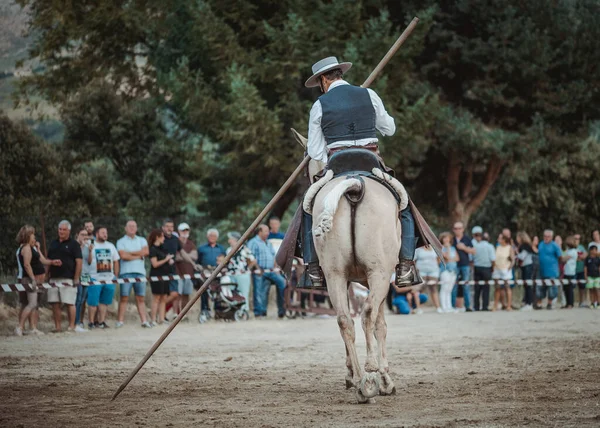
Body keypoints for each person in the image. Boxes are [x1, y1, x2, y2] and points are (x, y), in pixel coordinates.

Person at [297, 56, 440, 289]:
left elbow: (315, 151)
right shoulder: (369, 94)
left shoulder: (319, 105)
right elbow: (389, 129)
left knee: (308, 206)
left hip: (338, 164)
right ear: (339, 74)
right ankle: (405, 264)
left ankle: (312, 268)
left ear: (323, 80)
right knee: (402, 202)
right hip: (370, 161)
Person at [15, 225, 61, 336]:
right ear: (28, 236)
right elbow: (26, 265)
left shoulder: (32, 248)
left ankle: (31, 328)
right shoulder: (26, 248)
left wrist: (51, 262)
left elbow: (42, 260)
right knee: (32, 303)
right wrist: (32, 279)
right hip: (30, 279)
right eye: (33, 235)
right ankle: (20, 327)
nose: (34, 237)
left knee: (30, 304)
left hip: (34, 279)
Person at [47, 220, 82, 332]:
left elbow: (79, 262)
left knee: (69, 302)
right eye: (60, 229)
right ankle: (58, 327)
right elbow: (48, 260)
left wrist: (76, 277)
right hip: (54, 278)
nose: (61, 231)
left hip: (68, 278)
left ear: (69, 231)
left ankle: (71, 326)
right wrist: (46, 275)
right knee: (54, 303)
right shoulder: (53, 243)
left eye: (64, 229)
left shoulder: (74, 245)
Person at [116, 220, 151, 328]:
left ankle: (144, 321)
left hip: (140, 273)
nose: (132, 228)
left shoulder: (142, 240)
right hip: (126, 272)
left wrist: (129, 252)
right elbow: (123, 256)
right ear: (125, 228)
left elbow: (146, 252)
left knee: (141, 298)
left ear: (136, 228)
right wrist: (138, 254)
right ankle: (120, 321)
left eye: (134, 226)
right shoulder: (120, 241)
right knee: (124, 297)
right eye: (129, 226)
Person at [247, 225, 286, 319]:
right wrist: (257, 268)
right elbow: (250, 256)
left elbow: (273, 256)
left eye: (268, 231)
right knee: (260, 292)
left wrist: (275, 268)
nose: (268, 233)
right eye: (266, 231)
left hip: (271, 271)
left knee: (282, 283)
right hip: (259, 271)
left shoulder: (268, 243)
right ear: (259, 232)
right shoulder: (253, 242)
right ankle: (259, 313)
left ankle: (282, 311)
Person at [86, 226, 120, 329]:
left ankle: (101, 322)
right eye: (102, 232)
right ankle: (91, 322)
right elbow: (87, 261)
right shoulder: (90, 245)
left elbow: (116, 261)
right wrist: (89, 251)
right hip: (94, 277)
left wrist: (116, 276)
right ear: (97, 234)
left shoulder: (111, 246)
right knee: (92, 302)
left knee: (104, 302)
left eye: (106, 232)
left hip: (109, 278)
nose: (105, 234)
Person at [197, 228, 226, 321]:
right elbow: (198, 262)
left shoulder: (221, 248)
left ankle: (218, 312)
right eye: (210, 236)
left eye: (214, 236)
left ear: (217, 237)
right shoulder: (201, 248)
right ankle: (205, 311)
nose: (212, 237)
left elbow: (225, 260)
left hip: (218, 274)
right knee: (204, 293)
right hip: (205, 274)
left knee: (218, 293)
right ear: (207, 236)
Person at [226, 231, 257, 314]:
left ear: (235, 239)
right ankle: (234, 311)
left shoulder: (244, 249)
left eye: (230, 239)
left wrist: (247, 268)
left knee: (243, 293)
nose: (229, 241)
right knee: (232, 293)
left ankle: (244, 311)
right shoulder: (228, 250)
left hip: (243, 275)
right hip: (231, 275)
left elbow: (253, 260)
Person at [148, 229, 173, 325]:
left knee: (164, 297)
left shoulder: (162, 248)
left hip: (165, 275)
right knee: (156, 297)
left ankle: (161, 319)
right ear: (157, 237)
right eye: (162, 236)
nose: (164, 239)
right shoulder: (153, 249)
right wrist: (166, 259)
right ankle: (153, 319)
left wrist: (169, 260)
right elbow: (154, 264)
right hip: (156, 275)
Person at [174, 222, 199, 316]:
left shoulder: (191, 243)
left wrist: (183, 255)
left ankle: (183, 315)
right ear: (179, 231)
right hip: (178, 273)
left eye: (186, 230)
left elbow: (195, 256)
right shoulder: (176, 242)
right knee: (177, 295)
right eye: (183, 230)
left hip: (189, 273)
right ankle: (176, 314)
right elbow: (176, 257)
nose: (185, 232)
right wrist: (188, 256)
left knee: (186, 294)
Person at [536, 229, 562, 310]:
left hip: (552, 271)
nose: (546, 238)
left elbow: (560, 257)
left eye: (548, 236)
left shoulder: (555, 246)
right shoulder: (540, 244)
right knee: (539, 287)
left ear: (551, 237)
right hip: (541, 270)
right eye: (545, 236)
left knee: (552, 288)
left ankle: (549, 303)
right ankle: (539, 304)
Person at [161, 219, 182, 321]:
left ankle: (159, 310)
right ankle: (162, 315)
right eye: (167, 226)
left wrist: (192, 263)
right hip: (161, 271)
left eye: (171, 226)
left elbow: (181, 252)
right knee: (163, 294)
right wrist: (165, 259)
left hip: (172, 271)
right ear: (163, 227)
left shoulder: (175, 239)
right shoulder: (160, 238)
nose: (169, 228)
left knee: (174, 294)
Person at [452, 222, 476, 312]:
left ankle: (468, 306)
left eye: (459, 228)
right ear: (453, 230)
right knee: (454, 286)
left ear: (462, 229)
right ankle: (452, 306)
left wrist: (464, 248)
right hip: (454, 266)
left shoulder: (467, 239)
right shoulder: (451, 240)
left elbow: (474, 251)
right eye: (455, 228)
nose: (457, 230)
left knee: (466, 286)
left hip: (465, 265)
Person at [471, 226, 495, 311]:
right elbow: (492, 259)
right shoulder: (490, 246)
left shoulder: (474, 246)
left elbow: (471, 259)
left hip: (477, 268)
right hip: (487, 269)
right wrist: (492, 268)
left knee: (477, 288)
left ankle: (476, 306)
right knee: (486, 289)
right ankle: (485, 306)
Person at [75, 228, 93, 331]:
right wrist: (81, 246)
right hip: (78, 275)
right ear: (77, 235)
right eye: (82, 234)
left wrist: (90, 251)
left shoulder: (88, 246)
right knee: (78, 299)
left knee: (83, 300)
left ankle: (80, 322)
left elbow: (89, 261)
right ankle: (75, 322)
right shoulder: (75, 246)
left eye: (86, 235)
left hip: (86, 275)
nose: (84, 237)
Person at [413, 245, 440, 312]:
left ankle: (438, 307)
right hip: (421, 272)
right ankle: (418, 308)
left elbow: (438, 258)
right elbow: (414, 260)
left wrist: (435, 266)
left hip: (433, 271)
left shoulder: (434, 248)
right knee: (418, 289)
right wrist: (416, 270)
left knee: (433, 288)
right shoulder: (418, 249)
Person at [492, 235, 515, 311]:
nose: (498, 239)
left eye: (500, 238)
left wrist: (510, 267)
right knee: (497, 287)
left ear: (504, 240)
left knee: (507, 287)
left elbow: (513, 259)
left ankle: (509, 305)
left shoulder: (509, 248)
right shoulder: (497, 247)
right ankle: (495, 305)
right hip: (497, 269)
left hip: (505, 269)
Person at [438, 232, 459, 313]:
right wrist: (448, 249)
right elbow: (447, 257)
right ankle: (444, 307)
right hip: (445, 270)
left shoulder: (453, 248)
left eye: (448, 238)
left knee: (449, 289)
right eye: (444, 238)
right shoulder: (441, 248)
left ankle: (449, 306)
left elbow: (457, 258)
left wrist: (450, 258)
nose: (446, 239)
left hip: (453, 270)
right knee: (444, 288)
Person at [516, 232, 535, 311]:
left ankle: (529, 303)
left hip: (527, 266)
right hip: (525, 266)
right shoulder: (525, 246)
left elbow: (522, 256)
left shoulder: (525, 246)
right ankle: (527, 302)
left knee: (528, 285)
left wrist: (516, 254)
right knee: (526, 285)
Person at [562, 236, 578, 309]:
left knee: (569, 289)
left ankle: (570, 304)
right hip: (566, 272)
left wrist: (561, 258)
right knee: (565, 288)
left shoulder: (573, 251)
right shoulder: (568, 250)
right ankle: (567, 303)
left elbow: (564, 259)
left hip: (570, 272)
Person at [573, 234, 588, 307]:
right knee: (571, 287)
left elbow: (585, 255)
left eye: (578, 239)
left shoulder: (581, 247)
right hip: (572, 270)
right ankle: (570, 302)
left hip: (581, 269)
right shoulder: (571, 247)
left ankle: (581, 302)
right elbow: (573, 258)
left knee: (582, 287)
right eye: (575, 238)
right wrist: (579, 257)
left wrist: (578, 257)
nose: (577, 240)